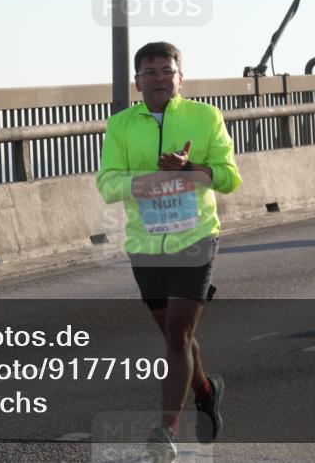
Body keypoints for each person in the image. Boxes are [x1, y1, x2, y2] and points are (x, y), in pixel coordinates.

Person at [96, 42, 242, 462]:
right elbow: (107, 183)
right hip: (145, 243)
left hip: (195, 239)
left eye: (167, 70)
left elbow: (229, 178)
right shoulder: (121, 125)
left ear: (181, 77)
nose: (159, 78)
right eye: (150, 72)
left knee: (178, 335)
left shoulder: (205, 117)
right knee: (177, 338)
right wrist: (146, 181)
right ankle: (206, 390)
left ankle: (166, 431)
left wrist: (188, 170)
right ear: (137, 82)